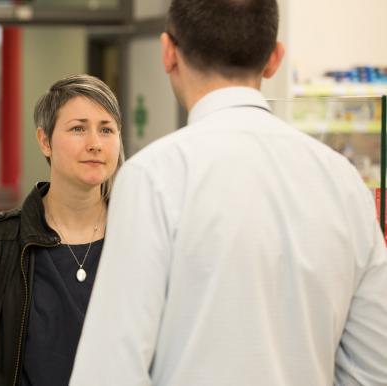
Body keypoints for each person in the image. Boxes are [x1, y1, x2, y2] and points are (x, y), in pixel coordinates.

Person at [70, 1, 387, 385]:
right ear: (275, 60)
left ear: (168, 52)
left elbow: (109, 370)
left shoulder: (154, 177)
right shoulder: (344, 182)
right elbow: (374, 367)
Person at [0, 74, 125, 386]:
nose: (94, 143)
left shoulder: (141, 239)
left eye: (106, 129)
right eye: (78, 128)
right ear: (45, 140)